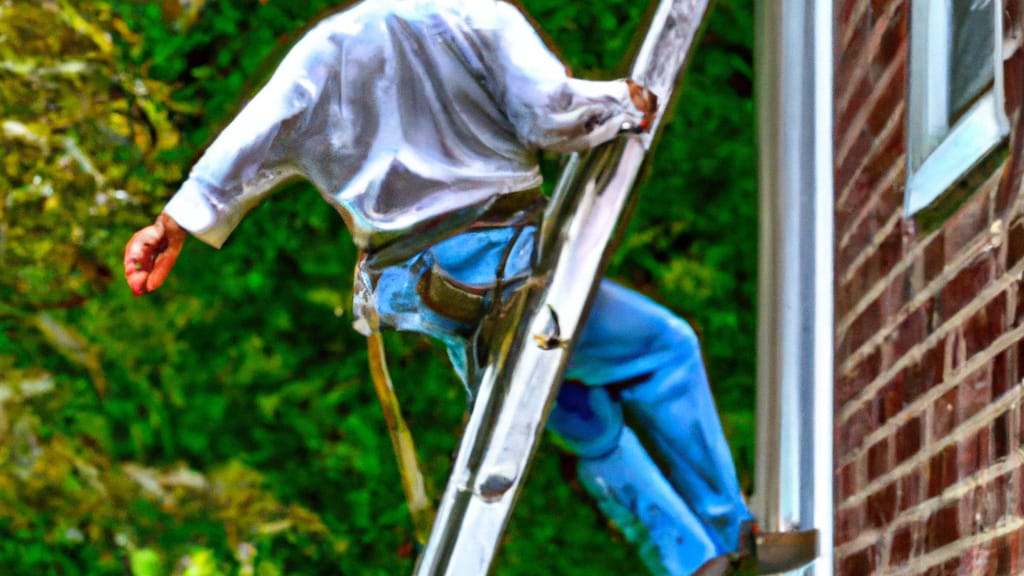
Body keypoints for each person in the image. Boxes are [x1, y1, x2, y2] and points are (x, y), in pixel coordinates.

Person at [124, 1, 810, 573]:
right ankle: (729, 534)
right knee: (665, 349)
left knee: (578, 412)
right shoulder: (480, 14)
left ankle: (689, 559)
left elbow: (249, 141)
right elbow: (550, 114)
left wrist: (172, 223)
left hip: (423, 292)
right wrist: (622, 102)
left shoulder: (326, 46)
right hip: (500, 259)